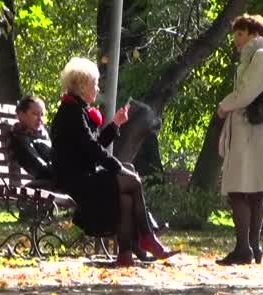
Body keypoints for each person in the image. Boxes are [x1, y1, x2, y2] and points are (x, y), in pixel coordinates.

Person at [49, 57, 179, 267]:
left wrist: (115, 124)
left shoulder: (77, 110)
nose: (97, 87)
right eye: (94, 83)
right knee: (132, 180)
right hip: (73, 179)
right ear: (82, 86)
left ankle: (125, 254)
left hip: (81, 174)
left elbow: (92, 145)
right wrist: (117, 168)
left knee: (127, 197)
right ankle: (147, 236)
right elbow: (91, 149)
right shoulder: (71, 112)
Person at [216, 14, 263, 265]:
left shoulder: (260, 56)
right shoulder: (256, 56)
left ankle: (246, 247)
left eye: (240, 34)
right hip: (252, 131)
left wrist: (224, 106)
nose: (236, 40)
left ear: (254, 34)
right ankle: (251, 248)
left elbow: (247, 92)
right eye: (235, 35)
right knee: (252, 191)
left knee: (241, 190)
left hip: (253, 131)